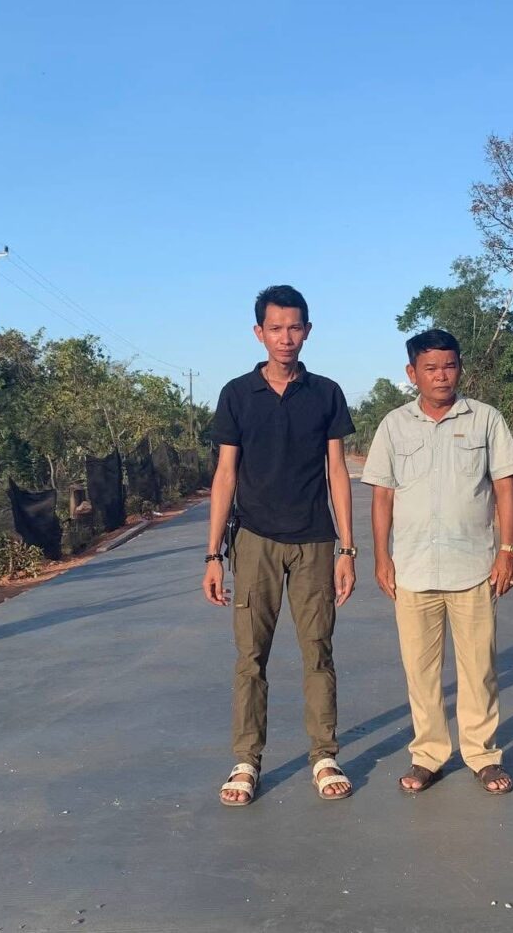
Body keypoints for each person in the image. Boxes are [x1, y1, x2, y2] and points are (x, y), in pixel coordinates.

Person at [204, 285, 357, 807]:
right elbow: (225, 475)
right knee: (251, 656)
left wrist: (347, 549)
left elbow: (337, 471)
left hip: (314, 541)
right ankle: (246, 760)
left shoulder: (326, 393)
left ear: (308, 331)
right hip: (254, 542)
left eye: (294, 327)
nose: (285, 338)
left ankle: (324, 755)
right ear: (259, 333)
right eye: (275, 328)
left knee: (318, 649)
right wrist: (213, 555)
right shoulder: (237, 394)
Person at [362, 328, 513, 795]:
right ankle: (428, 756)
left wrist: (508, 551)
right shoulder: (394, 425)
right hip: (412, 569)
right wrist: (382, 557)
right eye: (430, 368)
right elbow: (382, 496)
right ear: (412, 373)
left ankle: (482, 756)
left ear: (460, 368)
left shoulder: (486, 419)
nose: (441, 376)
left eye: (449, 366)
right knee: (421, 672)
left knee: (479, 670)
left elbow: (505, 488)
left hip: (473, 568)